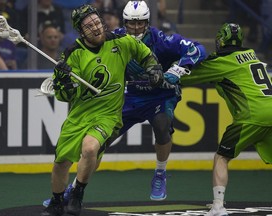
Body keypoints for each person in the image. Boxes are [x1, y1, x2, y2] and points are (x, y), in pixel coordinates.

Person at [42, 1, 206, 206]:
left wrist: (176, 71)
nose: (136, 28)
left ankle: (160, 173)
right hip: (130, 97)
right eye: (131, 23)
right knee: (99, 145)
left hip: (160, 95)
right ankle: (74, 188)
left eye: (141, 23)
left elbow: (198, 49)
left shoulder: (161, 38)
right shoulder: (116, 37)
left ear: (148, 21)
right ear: (124, 22)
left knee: (163, 127)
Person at [41, 4, 164, 216]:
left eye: (97, 22)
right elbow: (66, 96)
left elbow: (144, 53)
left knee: (90, 149)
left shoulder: (122, 42)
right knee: (61, 162)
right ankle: (57, 201)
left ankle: (78, 193)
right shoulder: (73, 54)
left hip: (107, 114)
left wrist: (154, 67)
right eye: (89, 26)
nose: (96, 28)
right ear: (81, 31)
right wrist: (64, 80)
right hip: (79, 115)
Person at [179, 23, 272, 216]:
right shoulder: (252, 55)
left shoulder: (222, 61)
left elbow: (186, 78)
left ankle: (218, 207)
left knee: (222, 157)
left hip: (251, 115)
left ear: (220, 41)